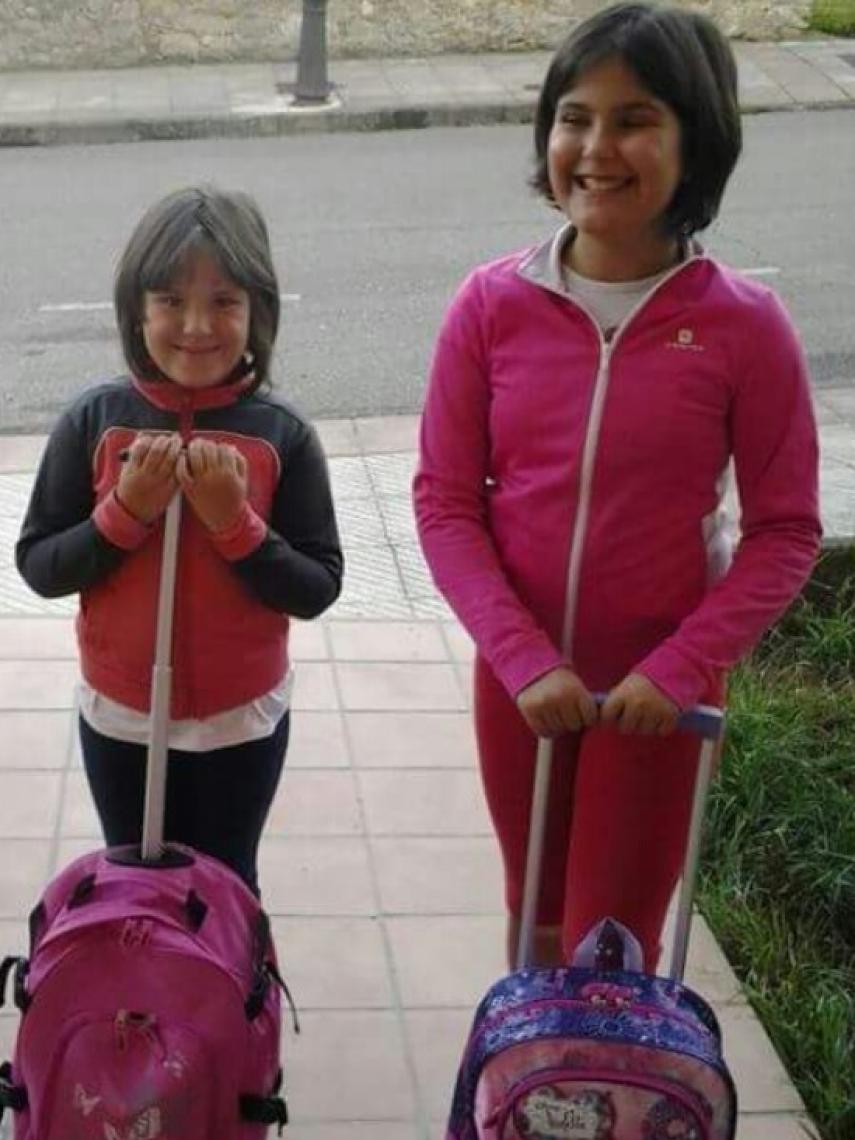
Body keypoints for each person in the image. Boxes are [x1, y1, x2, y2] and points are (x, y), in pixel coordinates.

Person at [413, 2, 821, 972]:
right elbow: (445, 503)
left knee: (611, 943)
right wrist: (520, 659)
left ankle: (610, 1117)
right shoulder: (488, 306)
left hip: (658, 698)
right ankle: (525, 1106)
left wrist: (678, 670)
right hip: (522, 688)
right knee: (535, 921)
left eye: (636, 119)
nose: (597, 146)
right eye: (574, 116)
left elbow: (785, 534)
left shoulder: (744, 326)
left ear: (696, 145)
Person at [17, 186, 343, 894]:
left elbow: (317, 585)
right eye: (170, 300)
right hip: (121, 715)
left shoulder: (281, 434)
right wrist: (123, 511)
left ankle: (233, 1006)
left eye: (223, 302)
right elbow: (40, 564)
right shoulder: (95, 421)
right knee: (134, 886)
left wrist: (235, 523)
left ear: (258, 309)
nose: (196, 325)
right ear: (137, 309)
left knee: (225, 886)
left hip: (240, 718)